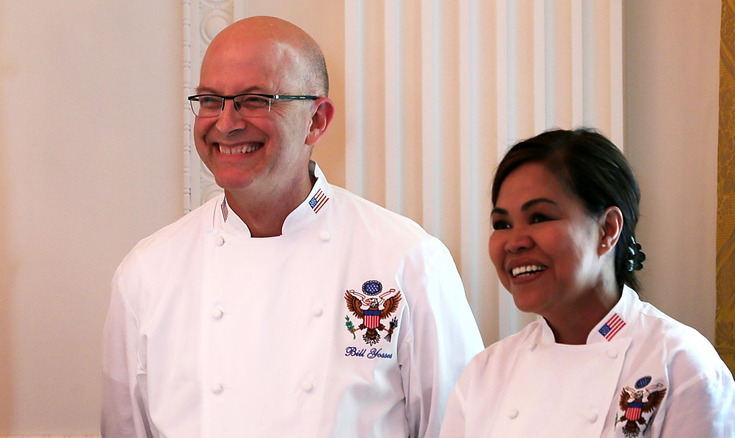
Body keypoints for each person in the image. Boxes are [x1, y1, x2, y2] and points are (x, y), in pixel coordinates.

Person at [102, 16, 483, 437]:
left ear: (316, 120)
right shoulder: (147, 272)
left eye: (254, 100)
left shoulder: (408, 260)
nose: (226, 123)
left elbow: (461, 428)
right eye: (211, 100)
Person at [440, 128, 735, 437]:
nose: (514, 242)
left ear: (607, 230)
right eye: (502, 223)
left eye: (539, 217)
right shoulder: (485, 374)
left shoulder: (680, 367)